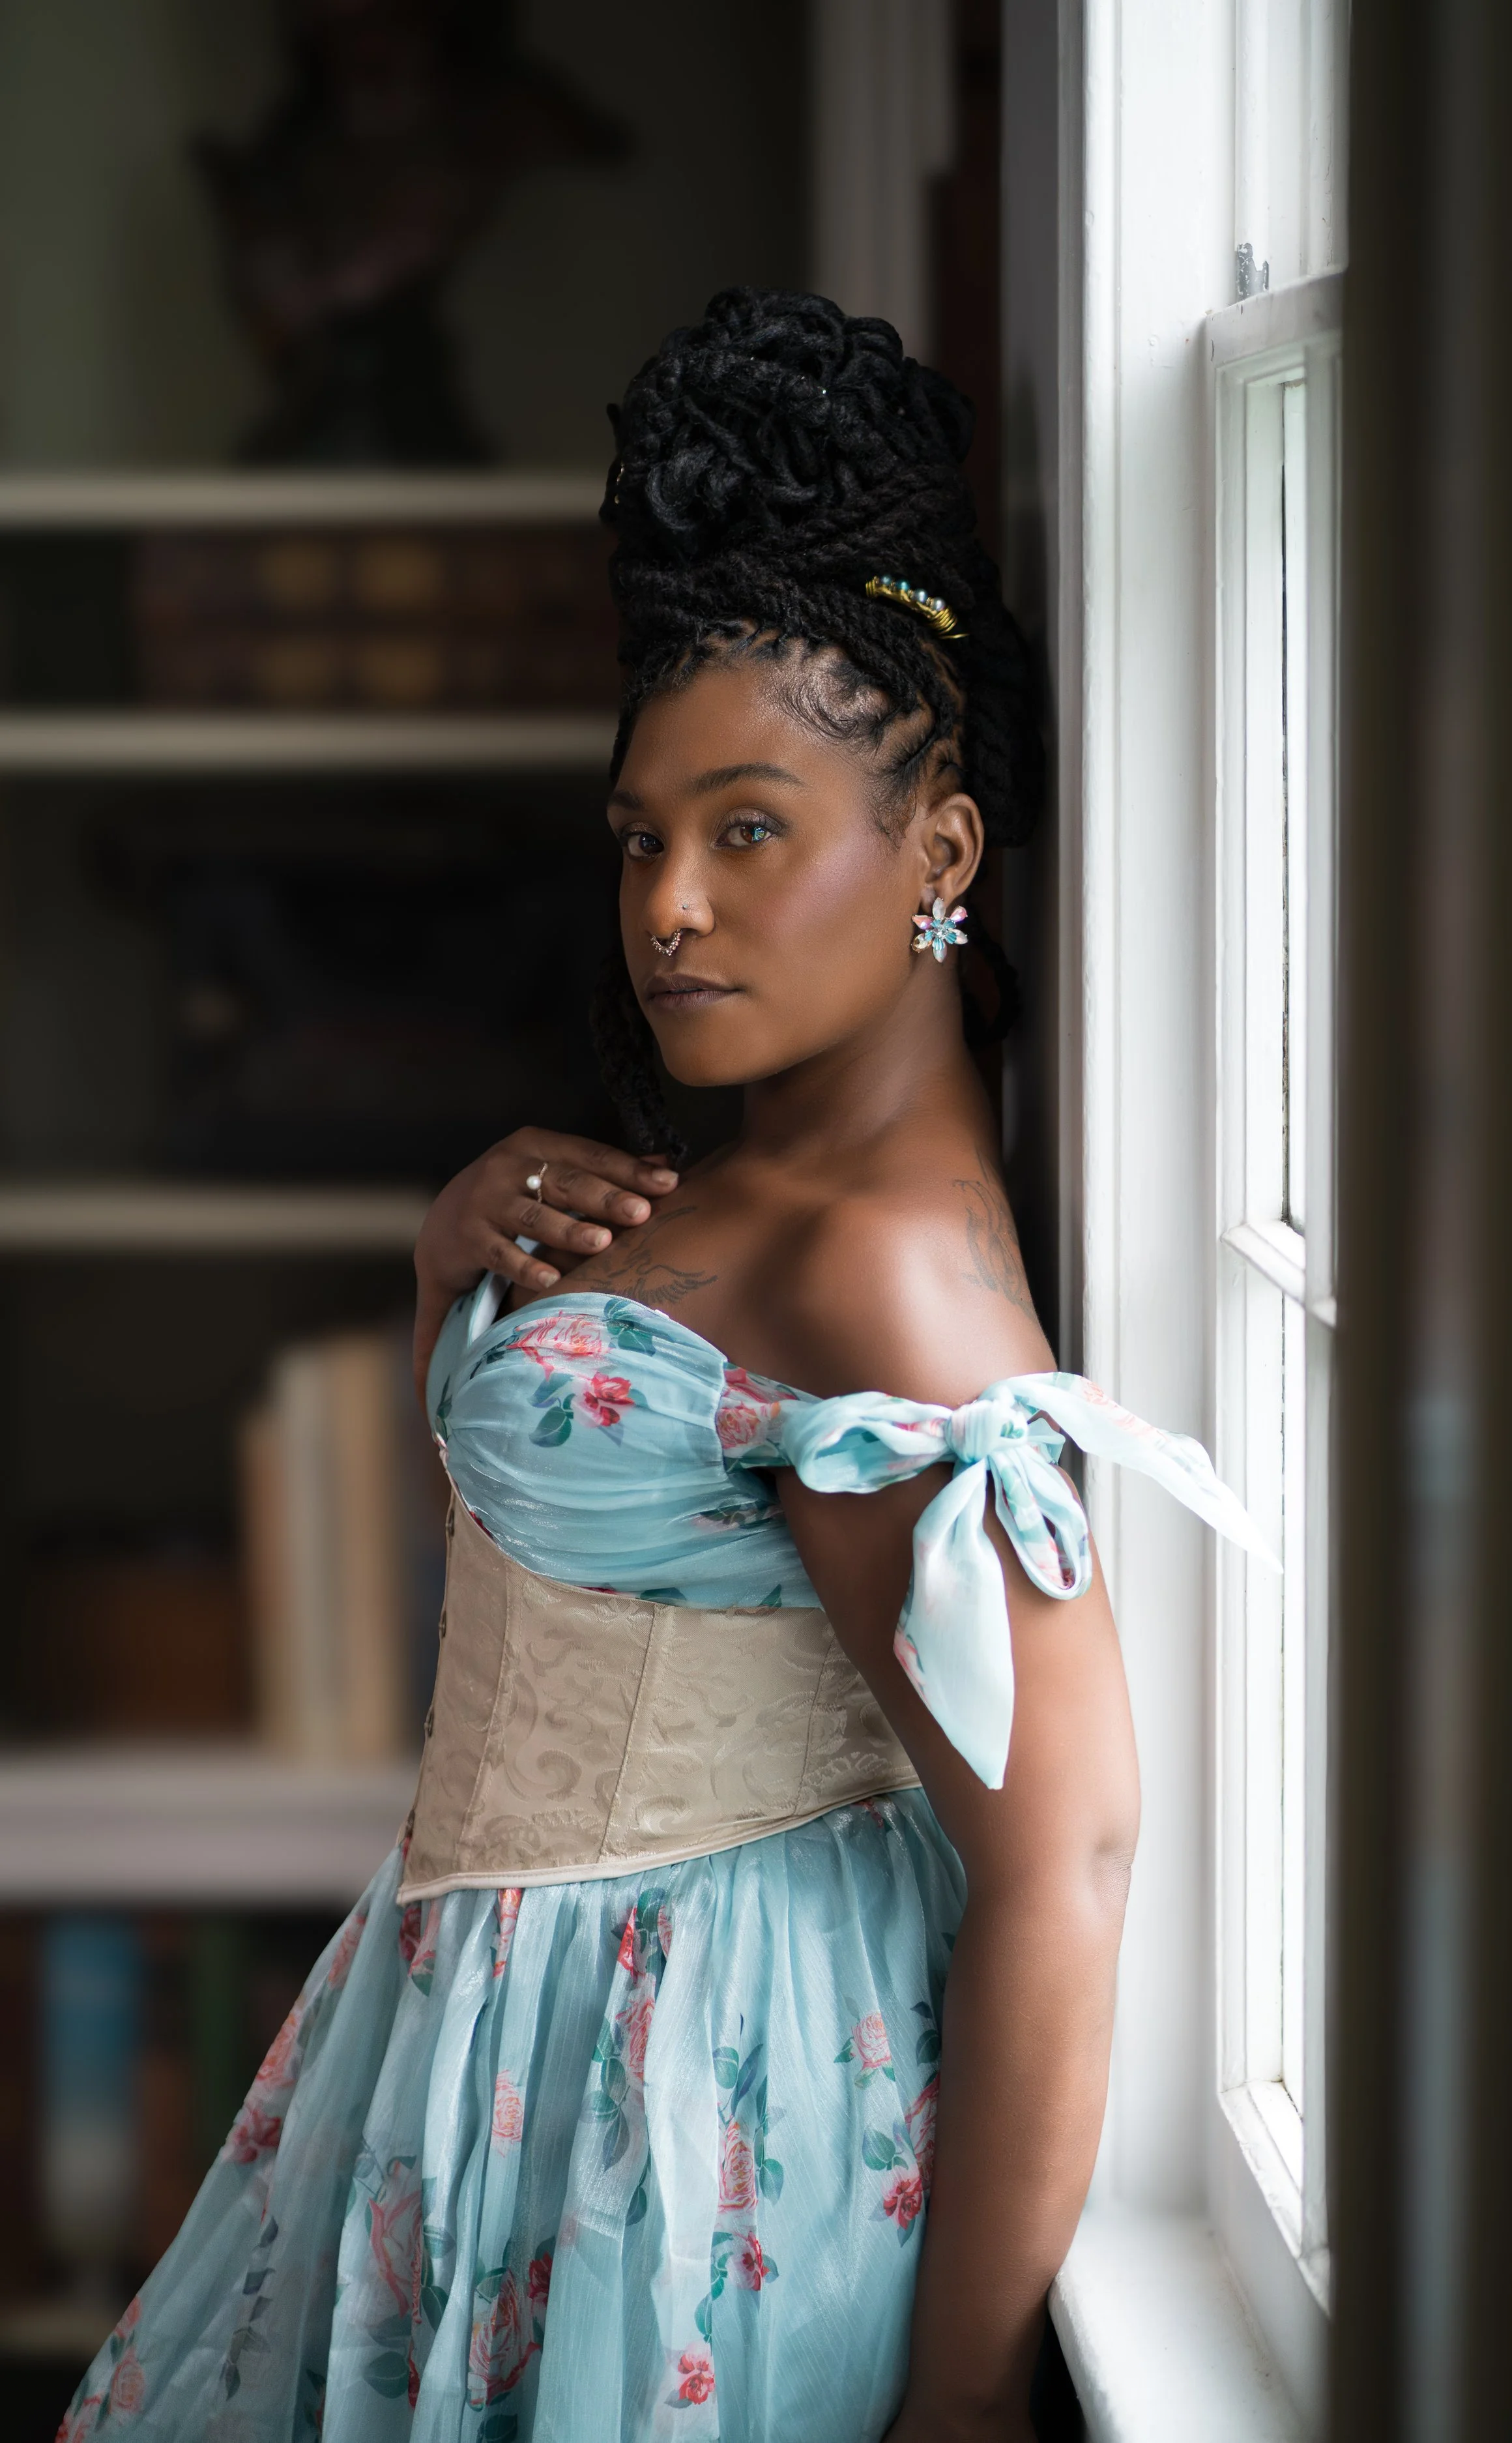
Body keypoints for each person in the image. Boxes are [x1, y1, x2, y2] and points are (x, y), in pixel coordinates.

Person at [60, 291, 1266, 2443]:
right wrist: (453, 1260)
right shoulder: (750, 1187)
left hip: (685, 2132)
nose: (672, 911)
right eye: (639, 837)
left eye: (747, 828)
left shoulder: (888, 1275)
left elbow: (1065, 1853)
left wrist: (965, 2398)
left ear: (943, 854)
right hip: (481, 2052)